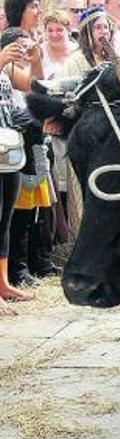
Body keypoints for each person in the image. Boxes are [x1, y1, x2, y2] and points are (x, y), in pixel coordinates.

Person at [0, 27, 34, 314]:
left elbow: (32, 84)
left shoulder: (6, 64)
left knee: (4, 218)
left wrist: (34, 57)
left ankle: (3, 283)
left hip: (7, 146)